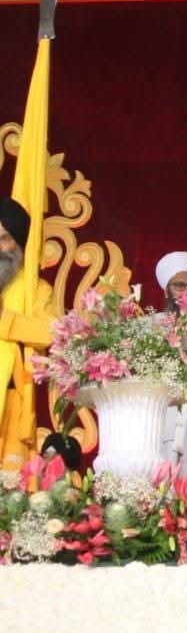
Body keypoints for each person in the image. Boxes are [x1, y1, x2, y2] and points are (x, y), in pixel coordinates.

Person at [0, 198, 55, 476]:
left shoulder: (37, 290)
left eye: (4, 238)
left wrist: (5, 319)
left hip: (11, 403)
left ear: (19, 244)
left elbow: (49, 331)